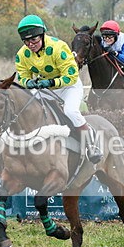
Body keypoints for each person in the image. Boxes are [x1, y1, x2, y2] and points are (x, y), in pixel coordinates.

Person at [15, 14, 102, 163]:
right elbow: (22, 76)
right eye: (26, 41)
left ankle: (91, 144)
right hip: (46, 89)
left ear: (42, 35)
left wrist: (50, 83)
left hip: (69, 87)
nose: (30, 44)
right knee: (28, 108)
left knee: (70, 110)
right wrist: (27, 82)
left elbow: (72, 76)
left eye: (34, 39)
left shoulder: (58, 47)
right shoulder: (22, 54)